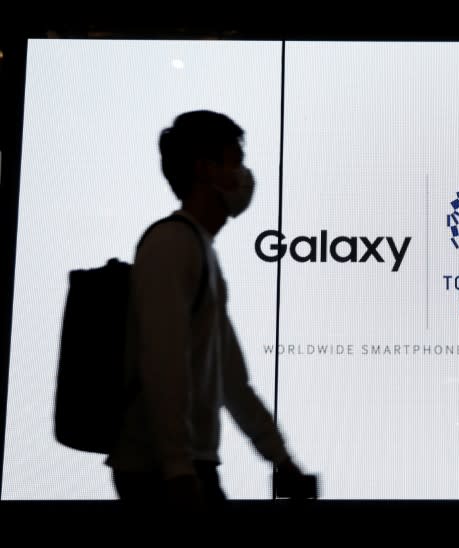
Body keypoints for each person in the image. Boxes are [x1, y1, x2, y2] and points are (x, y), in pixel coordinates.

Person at [106, 110, 309, 510]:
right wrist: (178, 469)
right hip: (159, 474)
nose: (244, 177)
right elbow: (163, 364)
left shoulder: (198, 250)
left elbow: (231, 378)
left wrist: (280, 459)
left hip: (184, 467)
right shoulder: (171, 246)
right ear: (205, 170)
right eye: (236, 162)